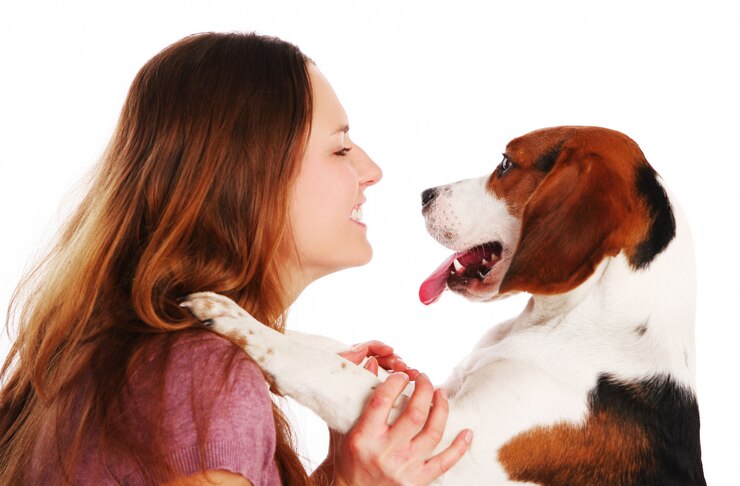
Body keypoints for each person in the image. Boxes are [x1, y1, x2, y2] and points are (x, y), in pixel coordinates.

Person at [0, 32, 472, 485]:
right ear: (250, 176)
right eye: (339, 148)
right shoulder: (201, 375)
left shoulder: (147, 354)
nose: (372, 172)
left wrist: (340, 470)